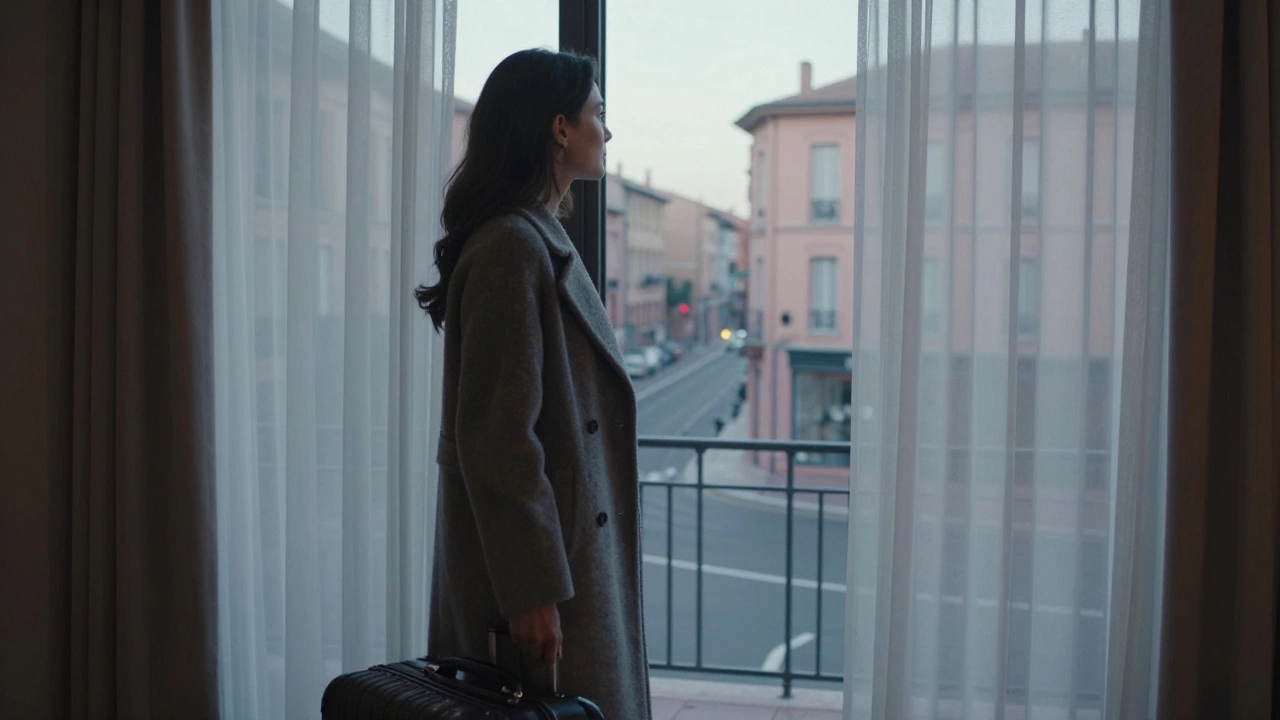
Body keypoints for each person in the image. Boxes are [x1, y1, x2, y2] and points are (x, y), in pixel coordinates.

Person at [414, 48, 650, 719]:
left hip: (563, 568)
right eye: (598, 114)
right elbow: (495, 438)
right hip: (539, 592)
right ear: (559, 129)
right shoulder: (511, 248)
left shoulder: (531, 240)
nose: (608, 130)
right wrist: (531, 591)